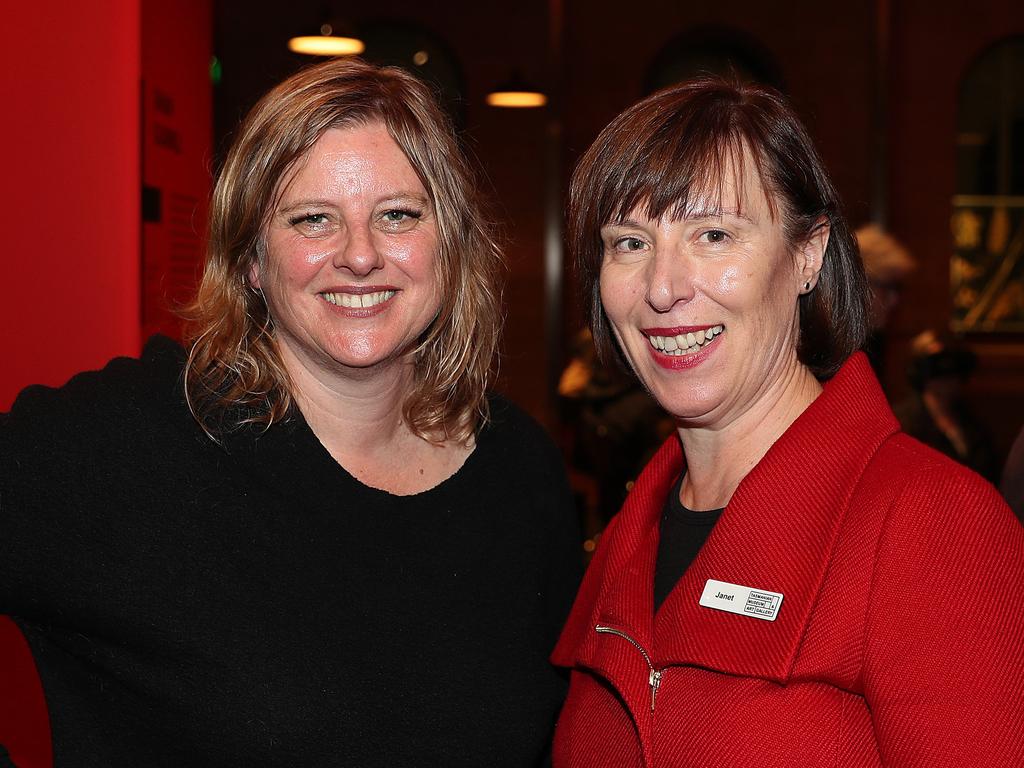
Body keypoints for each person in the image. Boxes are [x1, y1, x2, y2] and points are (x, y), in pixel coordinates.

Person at [0, 58, 580, 767]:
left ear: (450, 245)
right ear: (250, 259)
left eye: (397, 215)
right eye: (313, 220)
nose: (360, 256)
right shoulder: (126, 445)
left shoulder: (519, 469)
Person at [550, 78, 1024, 767]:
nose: (661, 286)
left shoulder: (931, 524)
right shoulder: (631, 537)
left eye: (713, 234)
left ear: (807, 254)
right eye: (629, 243)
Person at [893, 329, 1000, 482]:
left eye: (953, 365)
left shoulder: (973, 424)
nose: (946, 373)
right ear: (918, 371)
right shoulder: (903, 424)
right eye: (936, 364)